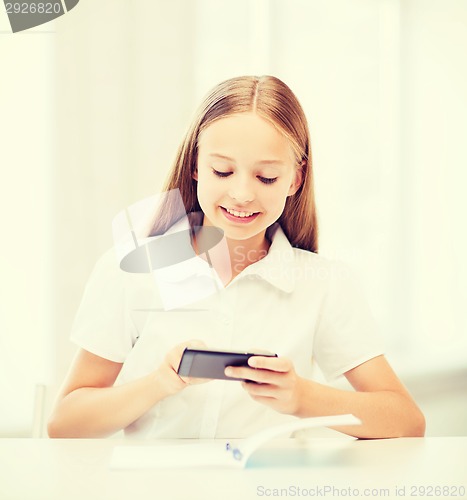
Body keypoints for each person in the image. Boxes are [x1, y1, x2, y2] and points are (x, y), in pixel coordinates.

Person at [47, 75, 425, 439]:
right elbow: (65, 424)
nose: (242, 193)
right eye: (223, 170)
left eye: (266, 178)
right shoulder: (129, 270)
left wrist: (302, 397)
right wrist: (160, 382)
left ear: (295, 179)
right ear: (195, 165)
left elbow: (406, 420)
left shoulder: (325, 285)